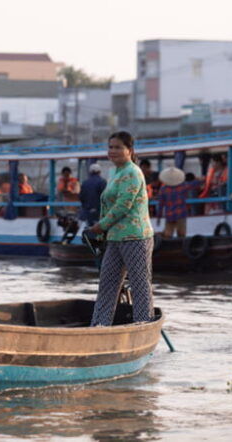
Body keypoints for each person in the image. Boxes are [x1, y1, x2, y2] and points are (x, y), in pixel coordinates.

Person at [89, 131, 154, 327]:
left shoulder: (132, 172)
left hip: (135, 236)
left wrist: (101, 226)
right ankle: (99, 325)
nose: (113, 151)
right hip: (115, 237)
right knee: (107, 283)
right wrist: (103, 230)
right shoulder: (115, 172)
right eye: (110, 147)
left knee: (139, 284)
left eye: (118, 147)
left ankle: (142, 324)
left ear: (130, 150)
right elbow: (108, 204)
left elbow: (123, 206)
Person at [157, 167, 188, 238]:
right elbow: (193, 185)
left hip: (170, 215)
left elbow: (160, 205)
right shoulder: (183, 187)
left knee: (167, 236)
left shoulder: (163, 189)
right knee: (182, 236)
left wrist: (159, 217)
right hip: (181, 214)